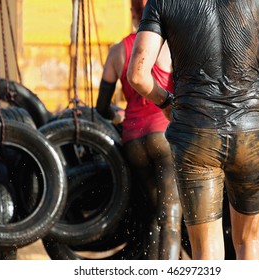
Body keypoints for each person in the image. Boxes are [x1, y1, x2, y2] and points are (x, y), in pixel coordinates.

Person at [127, 0, 259, 260]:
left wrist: (166, 101)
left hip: (195, 135)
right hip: (250, 134)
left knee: (206, 250)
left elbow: (138, 74)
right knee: (248, 241)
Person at [95, 0, 182, 260]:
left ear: (132, 12)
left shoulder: (116, 52)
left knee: (155, 214)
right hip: (163, 136)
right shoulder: (167, 46)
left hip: (132, 140)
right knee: (172, 218)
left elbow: (101, 108)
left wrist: (118, 115)